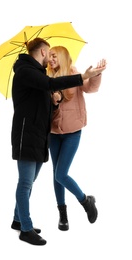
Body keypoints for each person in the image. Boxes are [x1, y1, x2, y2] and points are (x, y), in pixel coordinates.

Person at [10, 37, 106, 246]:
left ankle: (18, 220)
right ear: (43, 52)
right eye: (49, 53)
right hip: (29, 135)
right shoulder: (28, 71)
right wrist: (81, 77)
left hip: (39, 135)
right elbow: (50, 84)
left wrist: (55, 100)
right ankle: (25, 228)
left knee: (30, 181)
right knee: (26, 182)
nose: (51, 58)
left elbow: (42, 102)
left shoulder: (38, 73)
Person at [47, 46, 106, 231]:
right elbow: (46, 107)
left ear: (64, 56)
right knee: (56, 176)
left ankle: (85, 201)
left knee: (60, 174)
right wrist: (53, 99)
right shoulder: (47, 78)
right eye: (49, 57)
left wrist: (95, 74)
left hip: (73, 132)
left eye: (54, 56)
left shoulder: (74, 73)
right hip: (54, 133)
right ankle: (63, 215)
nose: (51, 60)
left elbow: (90, 88)